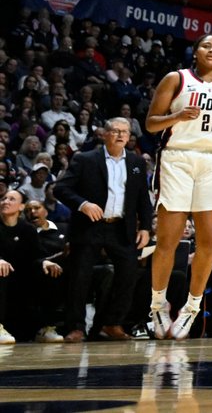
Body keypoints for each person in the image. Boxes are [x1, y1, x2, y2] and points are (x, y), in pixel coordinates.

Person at [144, 34, 212, 341]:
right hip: (177, 159)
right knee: (168, 241)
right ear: (195, 52)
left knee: (208, 241)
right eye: (206, 46)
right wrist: (177, 116)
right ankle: (158, 304)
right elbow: (150, 124)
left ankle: (191, 307)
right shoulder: (177, 79)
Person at [55, 118, 154, 341]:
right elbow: (61, 188)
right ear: (105, 134)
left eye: (125, 132)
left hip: (121, 227)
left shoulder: (137, 162)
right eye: (116, 131)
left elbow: (142, 199)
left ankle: (112, 323)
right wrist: (83, 204)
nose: (120, 135)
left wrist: (146, 227)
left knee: (128, 275)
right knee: (80, 277)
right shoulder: (85, 159)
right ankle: (76, 327)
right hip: (90, 227)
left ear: (129, 137)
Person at [1, 189, 64, 344]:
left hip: (21, 277)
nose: (6, 201)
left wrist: (45, 262)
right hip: (2, 275)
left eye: (11, 199)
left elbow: (36, 256)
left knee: (50, 271)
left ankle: (44, 328)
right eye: (3, 198)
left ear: (21, 207)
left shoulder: (27, 229)